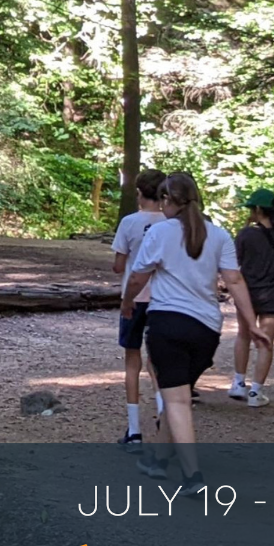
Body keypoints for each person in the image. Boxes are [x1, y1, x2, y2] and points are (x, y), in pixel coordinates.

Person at [120, 172, 265, 497]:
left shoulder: (160, 233)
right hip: (206, 330)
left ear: (168, 200)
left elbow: (138, 277)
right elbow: (236, 281)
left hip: (168, 326)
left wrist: (127, 303)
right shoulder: (218, 234)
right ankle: (158, 461)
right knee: (178, 395)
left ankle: (192, 475)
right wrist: (252, 324)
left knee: (178, 400)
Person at [229, 189, 274, 408]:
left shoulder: (245, 235)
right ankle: (256, 392)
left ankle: (238, 383)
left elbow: (234, 262)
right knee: (265, 343)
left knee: (243, 335)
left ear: (259, 210)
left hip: (248, 294)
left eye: (251, 208)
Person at [110, 168, 165, 446]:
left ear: (139, 193)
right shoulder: (172, 222)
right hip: (163, 299)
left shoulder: (129, 222)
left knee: (132, 360)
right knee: (158, 360)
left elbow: (119, 266)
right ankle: (164, 415)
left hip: (134, 298)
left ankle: (134, 430)